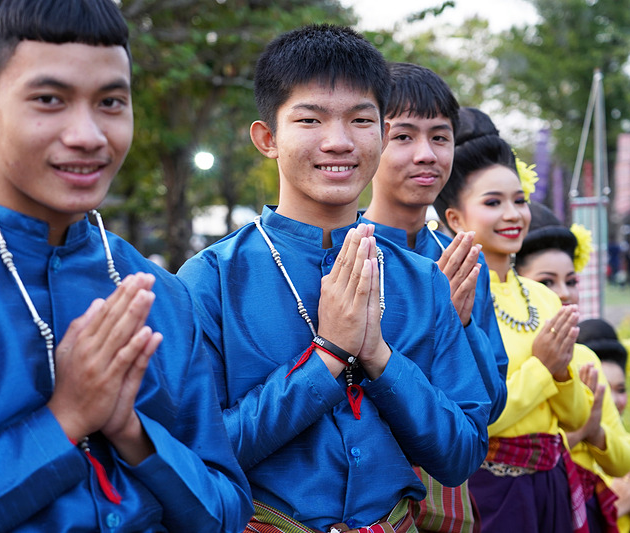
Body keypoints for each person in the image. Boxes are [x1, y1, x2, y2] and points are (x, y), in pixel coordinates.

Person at [0, 0, 253, 530]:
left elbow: (226, 511)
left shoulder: (159, 291)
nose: (88, 135)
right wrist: (66, 418)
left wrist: (134, 433)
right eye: (49, 99)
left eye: (111, 101)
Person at [177, 25, 491, 530]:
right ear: (268, 138)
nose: (339, 141)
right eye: (310, 119)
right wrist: (326, 359)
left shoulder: (420, 280)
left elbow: (461, 455)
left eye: (361, 120)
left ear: (382, 134)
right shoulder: (211, 281)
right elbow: (197, 450)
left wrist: (379, 358)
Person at [362, 64, 507, 533]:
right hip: (366, 497)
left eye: (440, 137)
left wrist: (462, 326)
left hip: (450, 493)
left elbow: (492, 400)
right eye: (402, 136)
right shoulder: (347, 254)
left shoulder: (463, 260)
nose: (425, 154)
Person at [434, 109, 592, 532]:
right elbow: (482, 417)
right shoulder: (454, 296)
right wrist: (544, 368)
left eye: (519, 201)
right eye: (493, 203)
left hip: (551, 479)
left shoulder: (544, 297)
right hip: (489, 490)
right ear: (455, 219)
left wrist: (560, 373)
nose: (513, 214)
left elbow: (575, 419)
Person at [516, 208, 630, 533]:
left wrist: (595, 432)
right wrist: (578, 434)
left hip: (582, 509)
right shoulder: (505, 352)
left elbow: (623, 461)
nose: (565, 293)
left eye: (571, 281)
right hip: (518, 502)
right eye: (546, 282)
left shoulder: (584, 358)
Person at [577, 318, 630, 533]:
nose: (614, 401)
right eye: (603, 388)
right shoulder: (563, 447)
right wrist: (612, 506)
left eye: (621, 389)